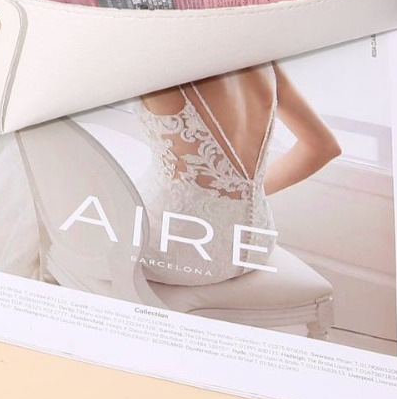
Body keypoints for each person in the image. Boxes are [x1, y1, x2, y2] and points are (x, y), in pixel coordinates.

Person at [137, 63, 341, 283]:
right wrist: (240, 197)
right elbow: (323, 147)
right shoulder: (262, 61)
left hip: (181, 251)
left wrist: (216, 195)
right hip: (257, 246)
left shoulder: (159, 63)